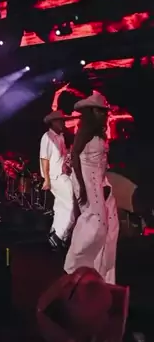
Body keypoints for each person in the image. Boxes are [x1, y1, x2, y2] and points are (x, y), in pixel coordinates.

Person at [65, 93, 119, 283]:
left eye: (105, 111)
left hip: (101, 182)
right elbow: (74, 158)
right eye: (100, 111)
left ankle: (103, 275)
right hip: (88, 183)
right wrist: (81, 185)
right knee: (97, 226)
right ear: (91, 111)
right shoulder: (85, 132)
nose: (104, 114)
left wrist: (104, 183)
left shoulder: (98, 132)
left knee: (111, 228)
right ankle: (76, 266)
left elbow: (102, 162)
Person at [40, 110, 76, 250]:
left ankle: (55, 233)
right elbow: (44, 158)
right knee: (71, 204)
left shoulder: (60, 136)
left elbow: (61, 156)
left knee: (61, 206)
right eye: (60, 121)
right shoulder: (47, 137)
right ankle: (60, 236)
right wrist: (47, 179)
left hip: (61, 174)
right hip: (55, 176)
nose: (63, 123)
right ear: (53, 122)